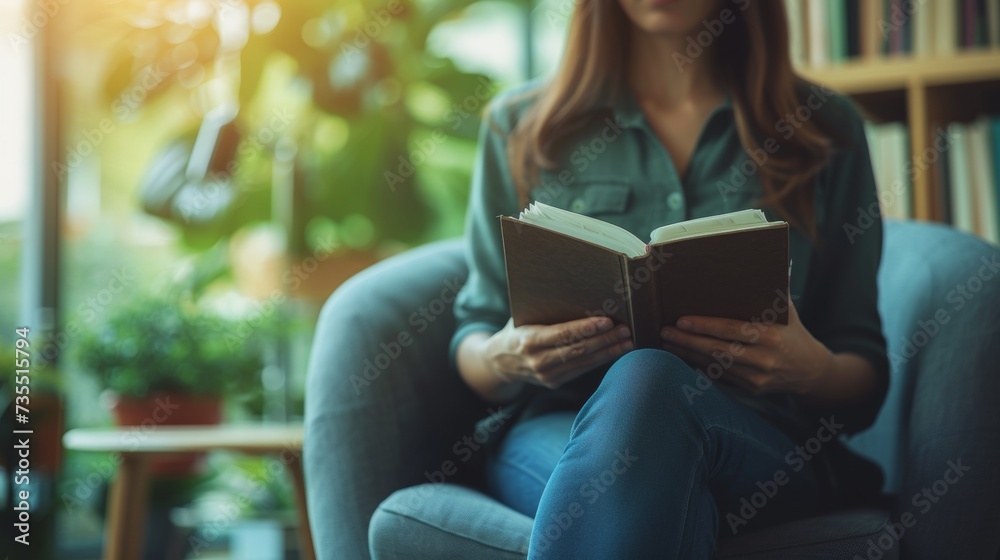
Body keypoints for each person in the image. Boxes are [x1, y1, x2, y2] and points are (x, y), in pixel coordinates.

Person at [450, 0, 889, 557]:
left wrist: (811, 369)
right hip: (561, 427)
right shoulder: (519, 125)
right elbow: (475, 335)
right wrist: (503, 357)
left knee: (648, 382)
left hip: (755, 439)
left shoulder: (824, 126)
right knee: (655, 481)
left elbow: (864, 377)